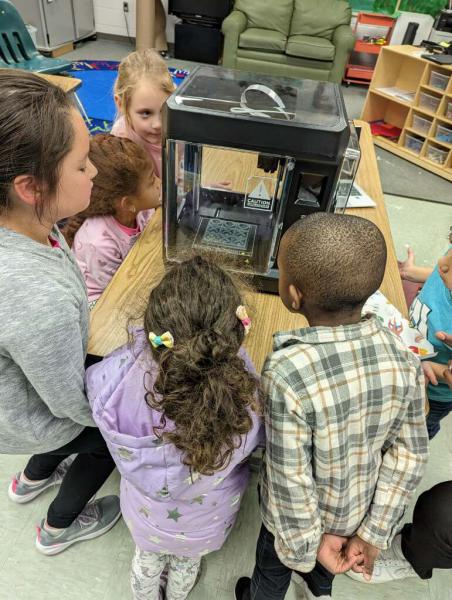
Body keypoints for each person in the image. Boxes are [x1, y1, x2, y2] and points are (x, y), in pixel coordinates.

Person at [234, 213, 429, 600]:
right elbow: (408, 454)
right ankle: (319, 590)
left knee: (271, 575)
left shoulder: (287, 371)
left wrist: (306, 548)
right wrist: (373, 532)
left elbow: (290, 478)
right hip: (356, 511)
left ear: (293, 295)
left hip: (296, 527)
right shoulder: (404, 358)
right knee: (327, 574)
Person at [86, 255, 263, 600]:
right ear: (238, 330)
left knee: (145, 563)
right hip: (207, 523)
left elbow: (95, 384)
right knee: (186, 566)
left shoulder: (121, 379)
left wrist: (143, 346)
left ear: (156, 334)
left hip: (146, 519)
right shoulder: (248, 397)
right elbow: (258, 437)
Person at [0, 70, 120, 555]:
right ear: (30, 186)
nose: (94, 173)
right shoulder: (37, 299)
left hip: (32, 388)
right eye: (82, 164)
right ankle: (58, 527)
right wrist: (118, 416)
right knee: (104, 442)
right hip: (40, 410)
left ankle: (32, 477)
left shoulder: (33, 224)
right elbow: (69, 404)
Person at [62, 134, 161, 306]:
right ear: (128, 203)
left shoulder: (141, 209)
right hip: (100, 301)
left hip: (134, 273)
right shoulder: (98, 243)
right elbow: (116, 293)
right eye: (152, 182)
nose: (160, 183)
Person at [406, 239, 452, 438]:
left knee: (416, 431)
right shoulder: (447, 267)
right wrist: (414, 273)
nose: (443, 262)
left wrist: (425, 366)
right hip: (411, 352)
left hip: (431, 395)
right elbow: (442, 268)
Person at [111, 48, 175, 179]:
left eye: (164, 111)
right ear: (121, 104)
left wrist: (202, 185)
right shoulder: (121, 142)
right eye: (146, 113)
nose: (158, 124)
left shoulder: (175, 122)